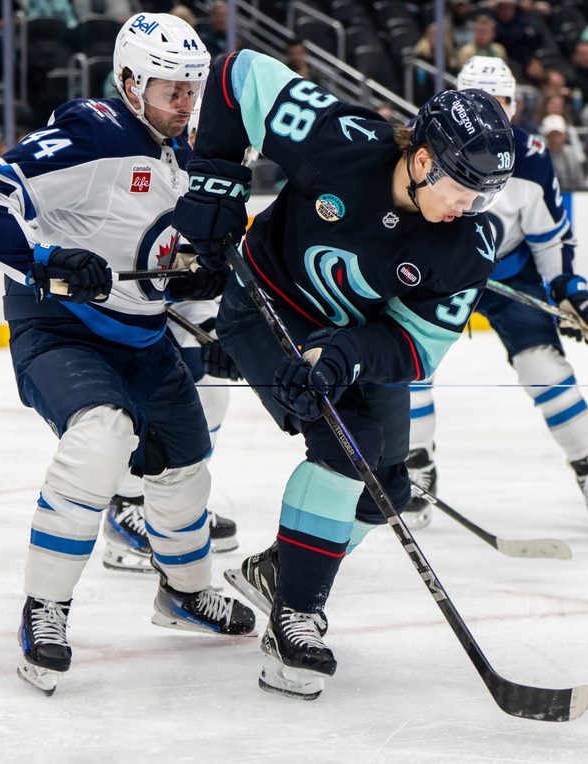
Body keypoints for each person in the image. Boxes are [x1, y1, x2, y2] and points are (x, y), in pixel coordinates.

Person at [172, 49, 515, 700]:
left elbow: (415, 347)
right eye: (463, 187)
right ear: (422, 160)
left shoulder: (467, 242)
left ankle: (282, 572)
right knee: (345, 444)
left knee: (388, 488)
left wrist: (344, 354)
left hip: (355, 339)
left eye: (484, 194)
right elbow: (235, 74)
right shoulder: (339, 140)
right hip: (264, 305)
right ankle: (295, 620)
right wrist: (216, 192)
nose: (470, 206)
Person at [0, 12, 255, 696]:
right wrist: (44, 260)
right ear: (130, 82)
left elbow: (167, 252)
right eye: (172, 90)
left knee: (186, 468)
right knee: (101, 436)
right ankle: (45, 609)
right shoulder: (93, 132)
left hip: (144, 337)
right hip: (62, 330)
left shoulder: (187, 151)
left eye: (193, 89)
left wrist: (199, 284)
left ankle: (184, 594)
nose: (186, 103)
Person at [403, 57, 588, 529]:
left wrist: (566, 286)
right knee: (407, 365)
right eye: (482, 100)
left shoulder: (532, 157)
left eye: (501, 101)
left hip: (508, 276)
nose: (493, 112)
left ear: (516, 105)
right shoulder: (426, 140)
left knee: (544, 369)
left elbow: (549, 235)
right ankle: (415, 464)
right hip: (437, 273)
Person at [100, 299, 243, 572]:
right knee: (149, 393)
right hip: (125, 306)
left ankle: (176, 507)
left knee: (211, 392)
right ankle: (127, 505)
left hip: (176, 297)